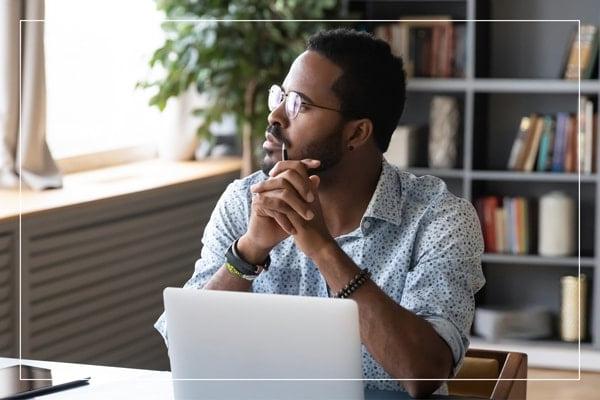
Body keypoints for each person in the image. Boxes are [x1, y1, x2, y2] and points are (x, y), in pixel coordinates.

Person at [155, 28, 485, 397]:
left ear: (357, 133)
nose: (276, 115)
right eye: (279, 97)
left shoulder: (439, 219)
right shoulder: (243, 201)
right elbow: (182, 345)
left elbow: (423, 374)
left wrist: (323, 249)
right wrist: (248, 252)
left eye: (300, 105)